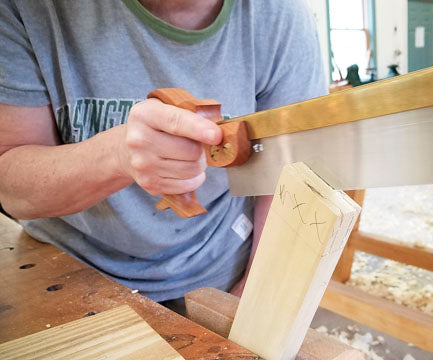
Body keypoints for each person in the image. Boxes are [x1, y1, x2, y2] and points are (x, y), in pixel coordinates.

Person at [0, 0, 327, 311]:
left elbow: (291, 182)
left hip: (221, 272)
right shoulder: (25, 10)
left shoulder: (281, 15)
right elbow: (13, 188)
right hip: (71, 270)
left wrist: (255, 297)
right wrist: (116, 156)